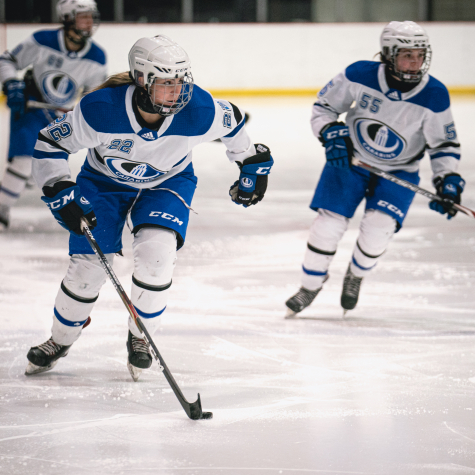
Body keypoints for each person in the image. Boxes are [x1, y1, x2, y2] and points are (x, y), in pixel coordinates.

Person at [25, 35, 273, 380]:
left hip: (167, 183)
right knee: (88, 269)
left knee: (158, 258)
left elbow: (236, 128)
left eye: (181, 82)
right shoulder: (100, 109)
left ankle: (140, 337)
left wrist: (252, 166)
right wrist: (59, 188)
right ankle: (60, 340)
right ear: (141, 80)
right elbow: (51, 142)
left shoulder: (199, 110)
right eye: (167, 83)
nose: (177, 92)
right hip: (103, 183)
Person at [285, 21, 464, 317]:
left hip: (400, 170)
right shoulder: (359, 74)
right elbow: (324, 106)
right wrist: (330, 132)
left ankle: (355, 275)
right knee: (327, 227)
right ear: (388, 54)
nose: (415, 62)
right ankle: (310, 285)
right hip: (350, 161)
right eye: (407, 55)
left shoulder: (434, 94)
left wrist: (447, 180)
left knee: (378, 231)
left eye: (420, 55)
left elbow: (444, 144)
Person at [0, 0, 106, 230]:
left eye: (91, 17)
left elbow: (95, 98)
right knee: (23, 162)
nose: (89, 22)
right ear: (68, 18)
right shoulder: (42, 41)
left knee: (46, 167)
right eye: (83, 17)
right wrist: (11, 84)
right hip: (30, 109)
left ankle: (23, 180)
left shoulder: (97, 58)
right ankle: (1, 208)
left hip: (60, 118)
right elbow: (7, 60)